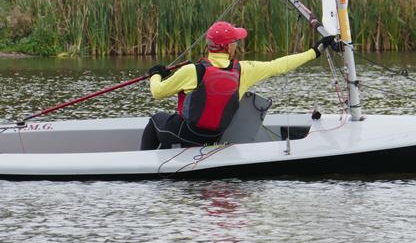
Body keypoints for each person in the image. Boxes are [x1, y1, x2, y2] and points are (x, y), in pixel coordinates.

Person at [141, 20, 337, 150]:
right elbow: (279, 66)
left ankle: (145, 165)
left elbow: (157, 92)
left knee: (155, 120)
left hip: (187, 133)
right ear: (227, 46)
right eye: (235, 41)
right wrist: (315, 51)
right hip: (212, 137)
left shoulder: (192, 70)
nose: (237, 44)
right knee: (167, 122)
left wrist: (155, 74)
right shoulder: (243, 70)